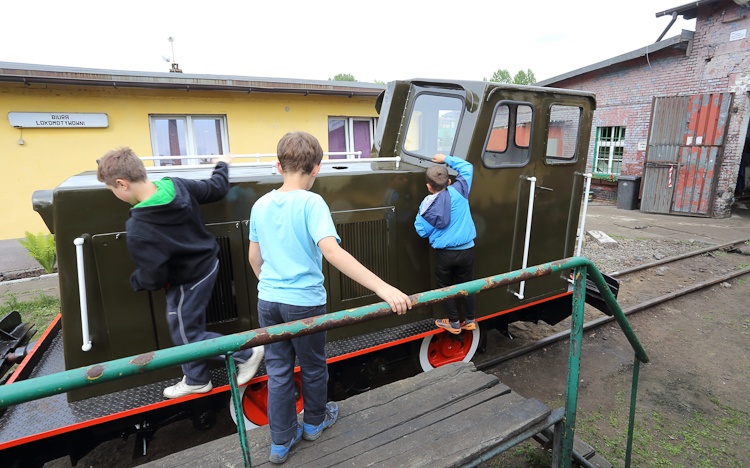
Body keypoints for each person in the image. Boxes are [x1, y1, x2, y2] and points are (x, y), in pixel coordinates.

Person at [248, 131, 412, 464]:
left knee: (278, 370)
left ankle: (281, 441)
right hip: (304, 303)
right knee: (312, 365)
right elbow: (331, 251)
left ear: (278, 166)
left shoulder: (260, 204)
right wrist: (383, 288)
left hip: (268, 301)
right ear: (317, 169)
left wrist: (272, 286)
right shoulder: (312, 203)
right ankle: (313, 423)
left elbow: (254, 257)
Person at [97, 147, 264, 399]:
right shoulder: (175, 185)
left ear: (122, 184)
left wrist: (135, 282)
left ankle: (246, 354)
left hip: (188, 279)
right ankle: (197, 378)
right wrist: (221, 164)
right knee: (184, 326)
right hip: (207, 262)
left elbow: (153, 276)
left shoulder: (140, 226)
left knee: (187, 335)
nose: (114, 194)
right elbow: (216, 188)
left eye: (111, 189)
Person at [414, 153, 477, 334]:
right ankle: (470, 320)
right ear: (449, 182)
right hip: (467, 250)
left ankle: (454, 323)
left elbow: (421, 231)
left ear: (428, 186)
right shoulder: (460, 190)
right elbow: (467, 167)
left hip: (445, 255)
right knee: (468, 284)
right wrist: (446, 158)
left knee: (445, 287)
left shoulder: (426, 206)